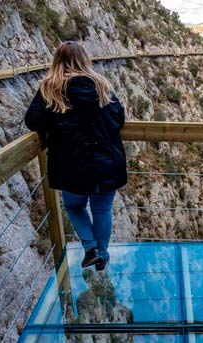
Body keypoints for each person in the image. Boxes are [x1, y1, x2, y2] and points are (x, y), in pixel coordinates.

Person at [25, 41, 127, 271]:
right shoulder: (101, 85)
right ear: (84, 59)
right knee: (102, 210)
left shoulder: (49, 88)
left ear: (57, 61)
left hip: (71, 165)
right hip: (106, 162)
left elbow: (32, 121)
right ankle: (101, 254)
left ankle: (90, 248)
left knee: (74, 206)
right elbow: (118, 119)